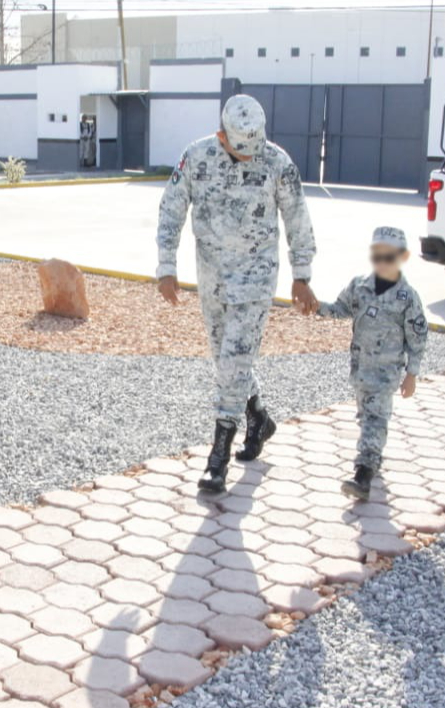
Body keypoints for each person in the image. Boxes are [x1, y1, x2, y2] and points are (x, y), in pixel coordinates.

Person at [156, 94, 318, 493]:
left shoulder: (278, 162)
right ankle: (258, 417)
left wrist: (302, 274)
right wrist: (166, 266)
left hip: (256, 279)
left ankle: (218, 458)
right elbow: (171, 208)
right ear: (222, 137)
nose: (249, 157)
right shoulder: (196, 157)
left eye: (254, 149)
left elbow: (298, 218)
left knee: (233, 361)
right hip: (211, 278)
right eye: (240, 150)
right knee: (227, 359)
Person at [316, 226, 428, 501]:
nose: (381, 262)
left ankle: (363, 473)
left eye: (388, 257)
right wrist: (314, 305)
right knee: (366, 417)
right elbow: (340, 309)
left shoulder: (407, 297)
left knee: (375, 420)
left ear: (403, 257)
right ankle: (373, 458)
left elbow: (417, 337)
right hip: (361, 370)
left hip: (386, 373)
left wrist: (411, 373)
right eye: (377, 256)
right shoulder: (360, 286)